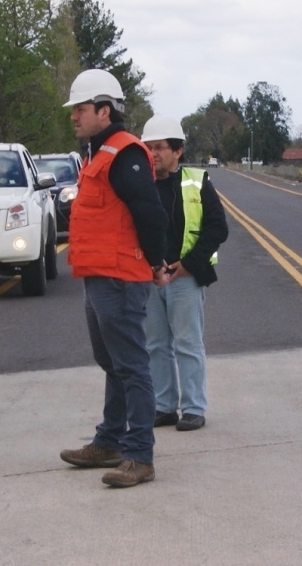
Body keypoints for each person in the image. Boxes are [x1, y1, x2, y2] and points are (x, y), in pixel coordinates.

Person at [58, 69, 168, 488]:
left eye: (81, 109)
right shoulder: (99, 152)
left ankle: (139, 455)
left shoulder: (125, 153)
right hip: (98, 275)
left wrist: (156, 263)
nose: (74, 117)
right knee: (112, 362)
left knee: (132, 365)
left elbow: (150, 212)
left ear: (105, 110)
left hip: (120, 276)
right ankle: (109, 441)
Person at [140, 116, 228, 431]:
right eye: (148, 147)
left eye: (160, 147)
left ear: (177, 151)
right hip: (150, 277)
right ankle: (164, 407)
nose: (153, 153)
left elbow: (218, 228)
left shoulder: (197, 181)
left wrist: (188, 263)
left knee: (187, 343)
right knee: (156, 345)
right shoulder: (140, 185)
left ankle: (193, 408)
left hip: (185, 278)